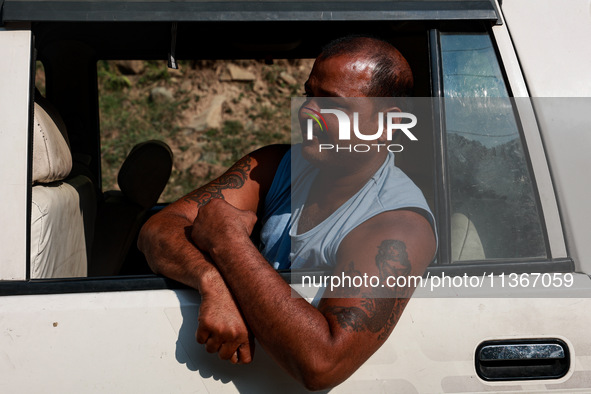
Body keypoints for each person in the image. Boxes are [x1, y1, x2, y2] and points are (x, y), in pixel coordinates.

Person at [138, 36, 436, 390]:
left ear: (388, 124)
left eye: (332, 104)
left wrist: (228, 242)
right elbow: (157, 230)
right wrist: (211, 281)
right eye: (309, 93)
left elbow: (323, 363)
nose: (308, 110)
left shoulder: (399, 226)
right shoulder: (276, 166)